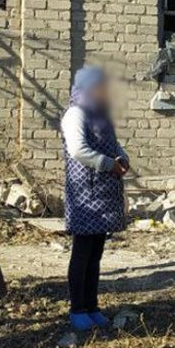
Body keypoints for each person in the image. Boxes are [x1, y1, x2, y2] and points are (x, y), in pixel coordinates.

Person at [61, 65, 129, 331]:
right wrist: (107, 164)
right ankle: (78, 309)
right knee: (82, 252)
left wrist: (122, 159)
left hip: (103, 192)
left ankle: (92, 307)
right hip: (85, 194)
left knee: (96, 254)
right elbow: (78, 149)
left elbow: (114, 144)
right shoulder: (75, 114)